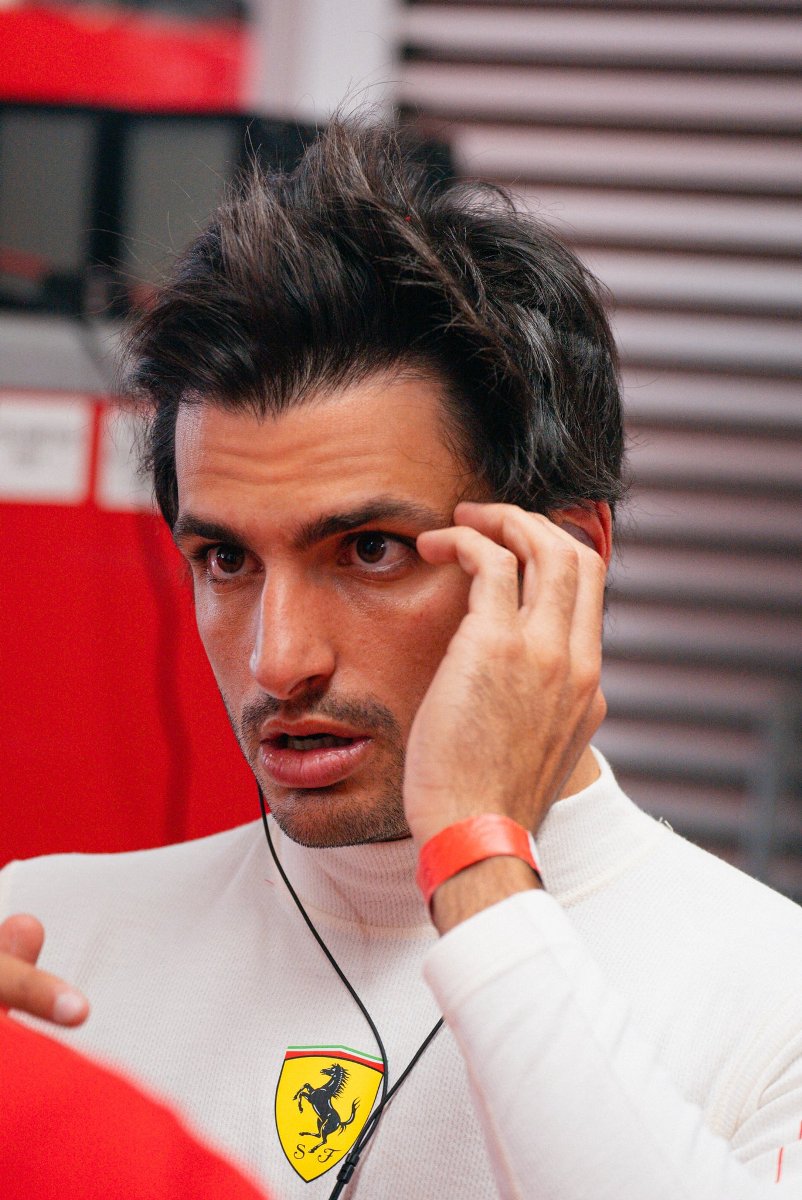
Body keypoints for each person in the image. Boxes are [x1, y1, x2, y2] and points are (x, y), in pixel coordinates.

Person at [3, 118, 802, 1199]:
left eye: (369, 550)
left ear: (562, 558)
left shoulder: (774, 1003)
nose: (278, 660)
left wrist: (479, 868)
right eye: (227, 559)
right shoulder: (48, 942)